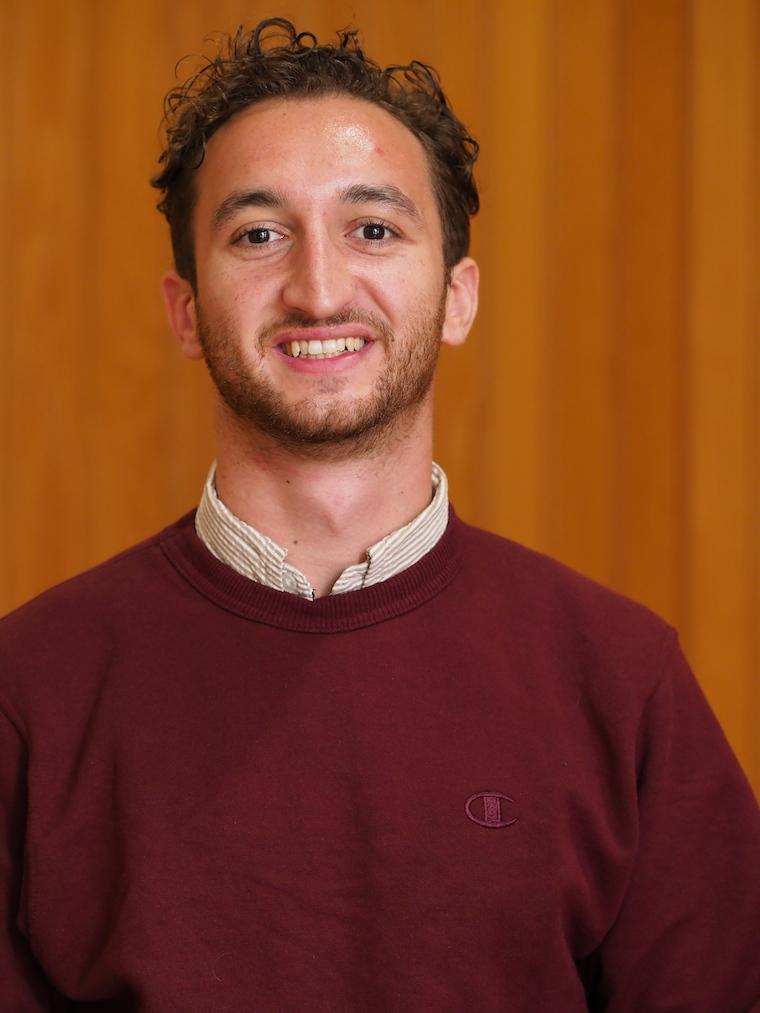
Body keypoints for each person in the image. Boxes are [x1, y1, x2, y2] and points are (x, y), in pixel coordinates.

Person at [1, 17, 758, 1011]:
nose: (318, 289)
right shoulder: (29, 689)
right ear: (185, 312)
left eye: (373, 229)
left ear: (455, 295)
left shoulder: (622, 682)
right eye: (259, 234)